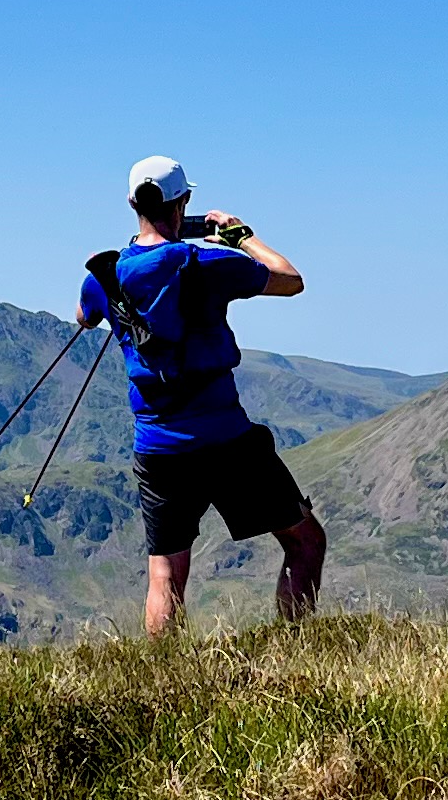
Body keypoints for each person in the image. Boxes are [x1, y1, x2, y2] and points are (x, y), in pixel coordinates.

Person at [79, 156, 325, 634]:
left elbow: (85, 315)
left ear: (132, 204)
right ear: (182, 203)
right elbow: (290, 280)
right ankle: (297, 650)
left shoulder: (103, 277)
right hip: (227, 438)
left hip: (158, 447)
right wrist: (241, 236)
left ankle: (160, 683)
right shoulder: (211, 264)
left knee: (166, 573)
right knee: (304, 542)